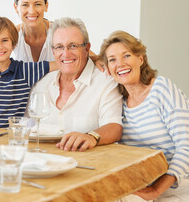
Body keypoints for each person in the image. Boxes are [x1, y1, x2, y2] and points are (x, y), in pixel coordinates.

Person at [99, 30, 189, 201]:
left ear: (140, 59)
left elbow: (188, 147)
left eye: (126, 56)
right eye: (112, 60)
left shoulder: (162, 89)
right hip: (142, 186)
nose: (120, 64)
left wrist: (156, 190)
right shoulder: (119, 103)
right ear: (108, 69)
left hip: (178, 186)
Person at [30, 17, 123, 151]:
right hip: (45, 164)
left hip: (89, 165)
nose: (66, 54)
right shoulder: (42, 84)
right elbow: (28, 125)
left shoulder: (105, 81)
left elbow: (114, 127)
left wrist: (92, 136)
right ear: (53, 51)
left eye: (73, 46)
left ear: (87, 49)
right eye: (59, 47)